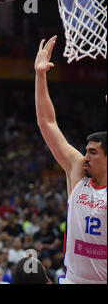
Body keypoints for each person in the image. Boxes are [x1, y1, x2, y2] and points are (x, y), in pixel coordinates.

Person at [34, 35, 107, 284]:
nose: (85, 157)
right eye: (86, 150)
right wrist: (40, 76)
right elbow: (48, 124)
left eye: (93, 153)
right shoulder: (78, 174)